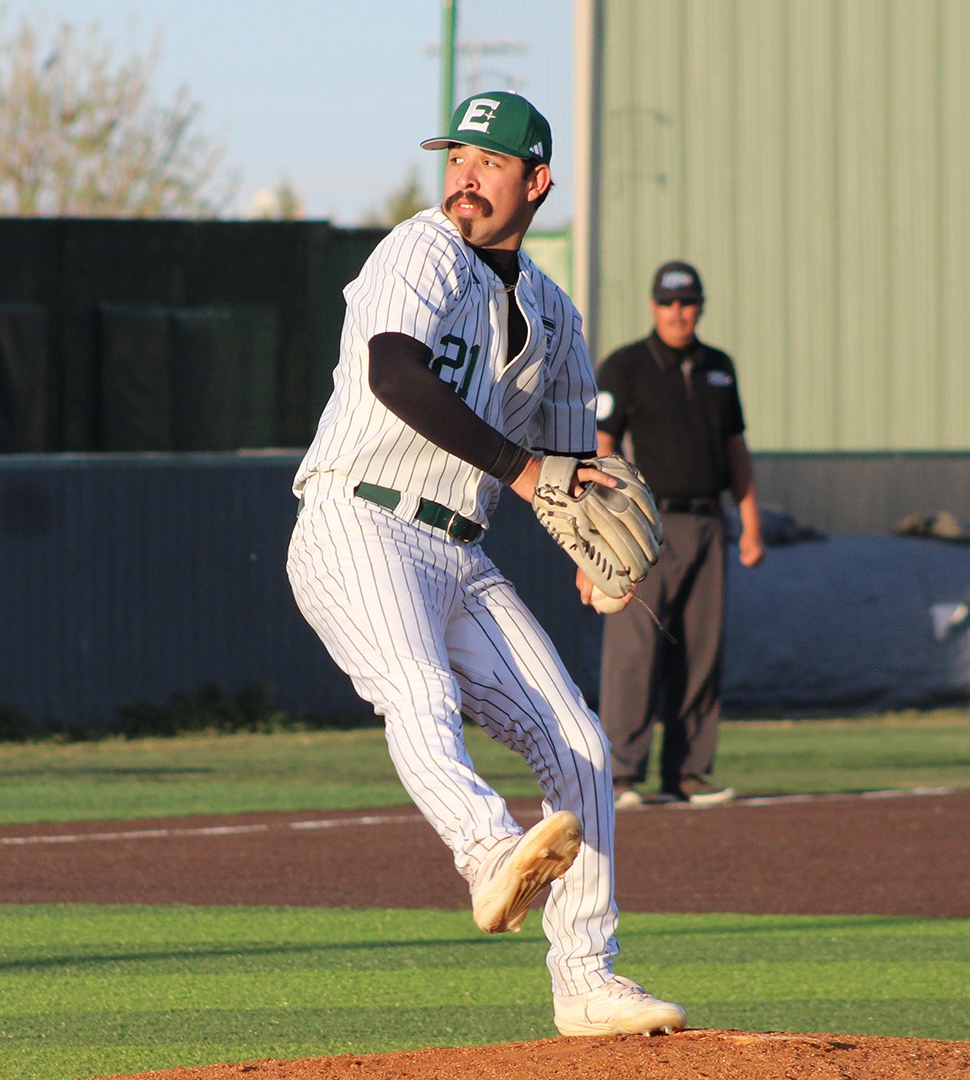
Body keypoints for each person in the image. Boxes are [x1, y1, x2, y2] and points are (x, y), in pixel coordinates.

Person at [286, 91, 686, 1037]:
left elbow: (563, 472)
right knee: (418, 690)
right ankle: (484, 853)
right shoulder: (419, 249)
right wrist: (524, 468)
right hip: (358, 520)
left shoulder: (556, 315)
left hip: (458, 551)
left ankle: (588, 979)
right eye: (456, 155)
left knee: (583, 749)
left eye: (488, 161)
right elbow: (394, 371)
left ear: (535, 181)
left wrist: (587, 545)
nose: (464, 174)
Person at [588, 261, 764, 809]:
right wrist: (604, 526)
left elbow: (735, 447)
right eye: (668, 302)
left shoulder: (719, 368)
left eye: (687, 301)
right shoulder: (627, 365)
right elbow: (601, 446)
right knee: (634, 653)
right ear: (653, 306)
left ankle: (688, 772)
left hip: (710, 521)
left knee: (701, 654)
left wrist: (750, 521)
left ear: (700, 306)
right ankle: (620, 775)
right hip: (648, 527)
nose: (678, 312)